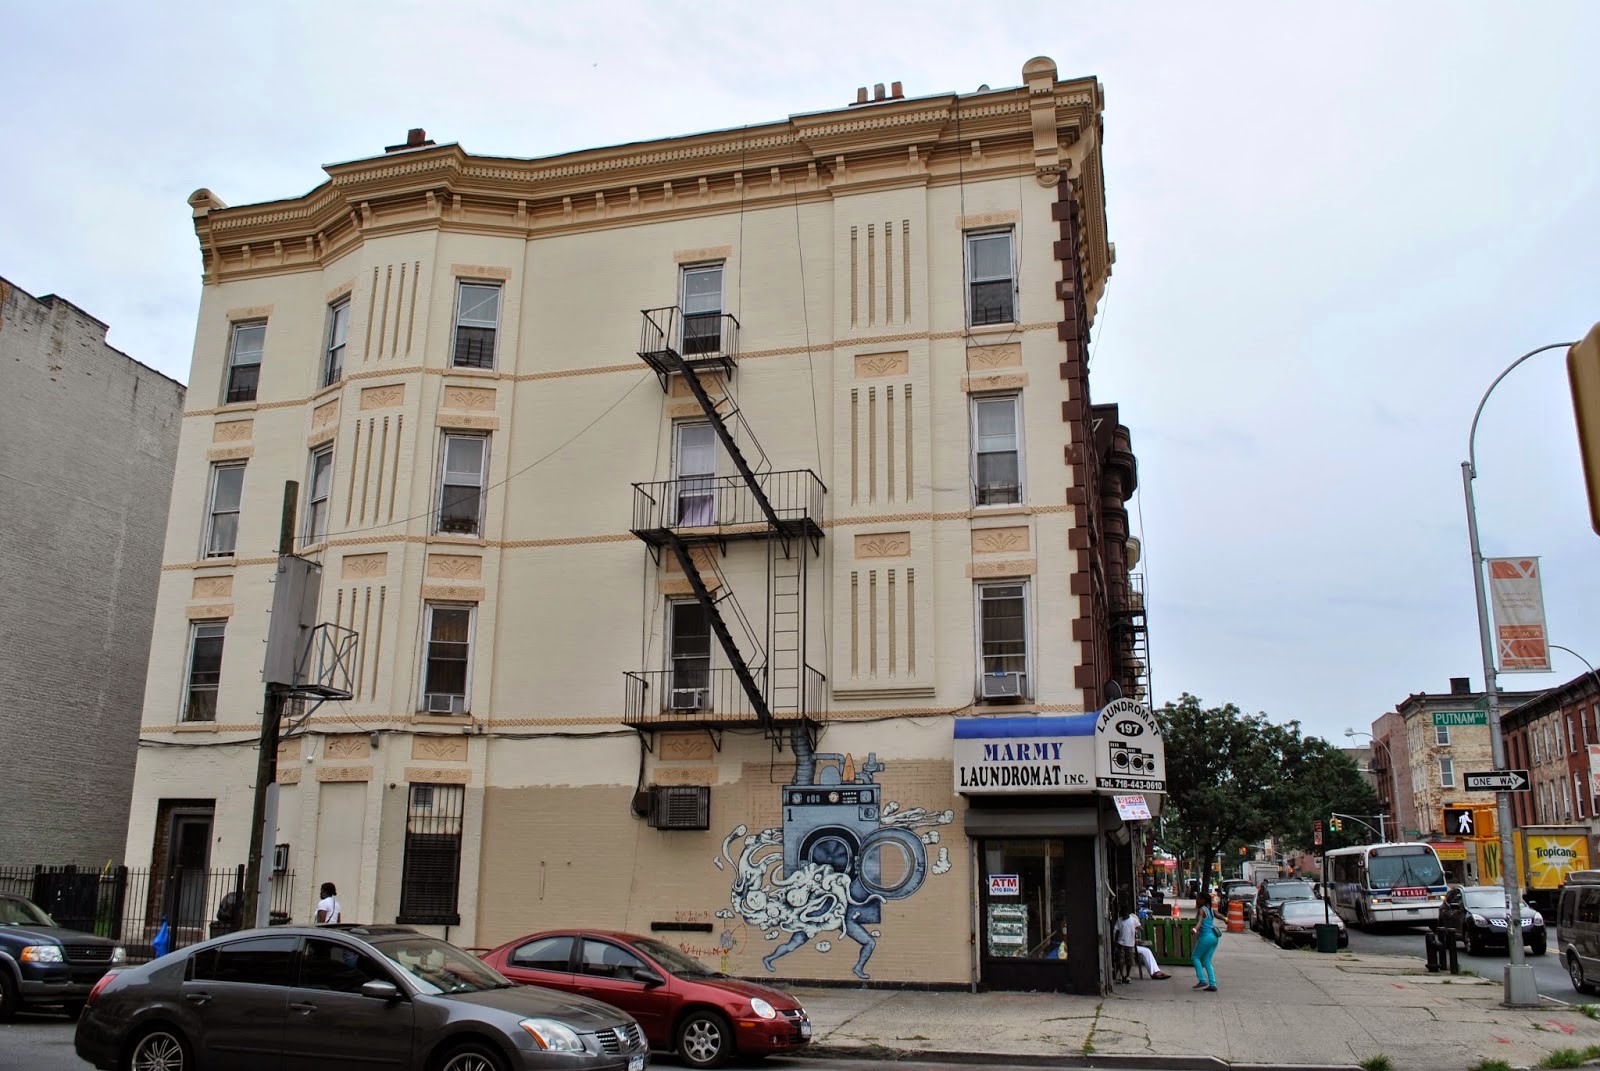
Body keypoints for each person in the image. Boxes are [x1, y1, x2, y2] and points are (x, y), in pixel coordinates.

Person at [1191, 899, 1219, 992]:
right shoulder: (1210, 909)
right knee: (1206, 960)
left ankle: (1202, 979)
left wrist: (1195, 930)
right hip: (1214, 937)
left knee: (1195, 957)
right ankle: (1212, 983)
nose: (1196, 901)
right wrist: (1226, 919)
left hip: (1206, 937)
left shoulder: (1202, 909)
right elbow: (1218, 915)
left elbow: (1200, 921)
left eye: (1198, 899)